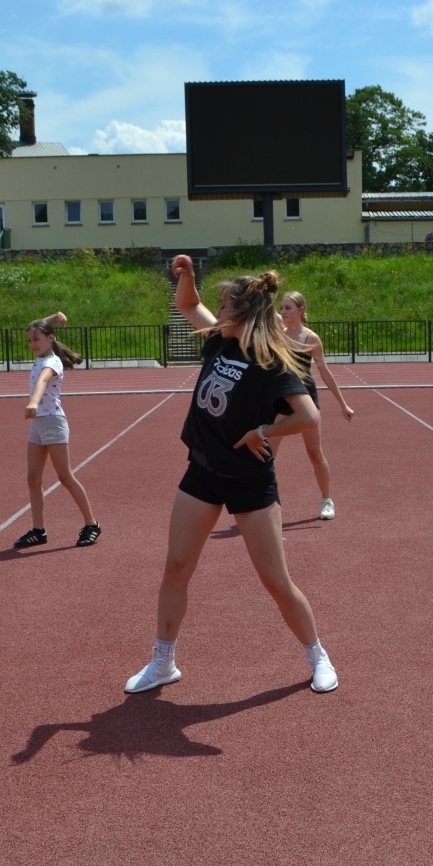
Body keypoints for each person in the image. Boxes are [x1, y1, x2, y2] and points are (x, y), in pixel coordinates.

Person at [124, 255, 339, 696]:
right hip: (203, 472)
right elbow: (188, 305)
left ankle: (318, 655)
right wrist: (187, 276)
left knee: (275, 581)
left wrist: (262, 431)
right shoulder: (221, 341)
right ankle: (163, 661)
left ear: (242, 313)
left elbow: (309, 416)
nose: (217, 311)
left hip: (249, 480)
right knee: (176, 567)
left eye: (223, 305)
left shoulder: (271, 363)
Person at [13, 313, 100, 549]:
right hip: (38, 424)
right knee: (33, 479)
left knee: (65, 477)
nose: (32, 344)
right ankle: (38, 530)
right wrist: (53, 317)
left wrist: (33, 401)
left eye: (36, 339)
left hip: (52, 421)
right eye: (29, 340)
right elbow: (38, 325)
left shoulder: (52, 362)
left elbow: (43, 381)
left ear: (50, 339)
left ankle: (92, 524)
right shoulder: (42, 356)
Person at [273, 291, 355, 519]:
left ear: (300, 310)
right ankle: (267, 502)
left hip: (305, 397)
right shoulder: (279, 334)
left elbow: (325, 373)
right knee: (267, 455)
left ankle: (327, 500)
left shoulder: (311, 339)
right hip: (282, 398)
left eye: (288, 308)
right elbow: (267, 310)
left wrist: (343, 404)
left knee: (314, 453)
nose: (283, 311)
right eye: (282, 307)